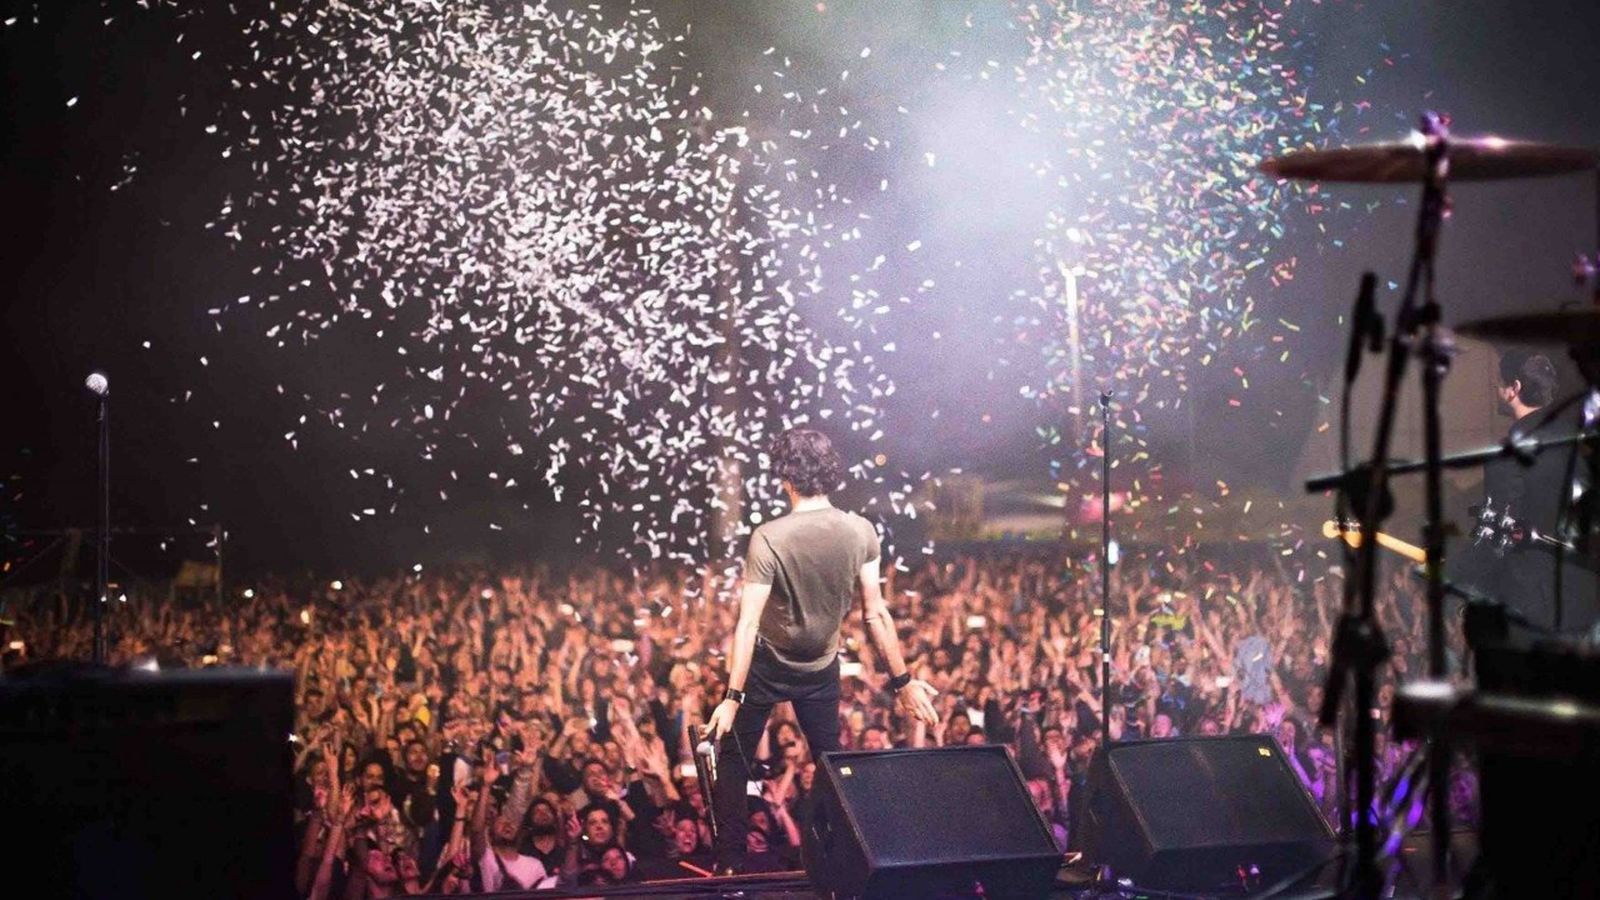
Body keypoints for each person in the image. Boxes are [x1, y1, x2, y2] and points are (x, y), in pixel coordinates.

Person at [704, 427, 940, 871]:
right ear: (831, 473)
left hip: (767, 664)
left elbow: (748, 622)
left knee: (734, 763)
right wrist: (903, 682)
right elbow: (876, 613)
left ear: (784, 479)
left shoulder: (768, 536)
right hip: (820, 668)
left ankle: (730, 870)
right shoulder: (861, 530)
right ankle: (831, 861)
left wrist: (732, 697)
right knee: (831, 766)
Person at [1472, 350, 1600, 635]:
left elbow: (1500, 534)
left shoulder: (1508, 455)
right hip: (1587, 594)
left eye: (1500, 382)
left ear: (1514, 389)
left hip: (1536, 599)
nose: (1497, 388)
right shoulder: (1580, 441)